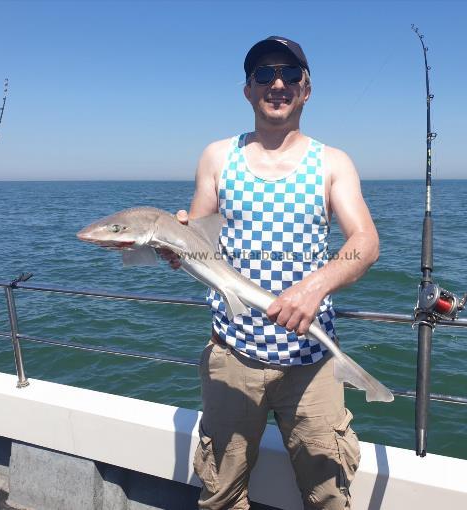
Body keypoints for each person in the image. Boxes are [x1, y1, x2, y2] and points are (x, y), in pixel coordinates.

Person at [162, 36, 380, 510]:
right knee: (220, 493)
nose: (276, 83)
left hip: (312, 362)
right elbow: (200, 245)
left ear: (306, 89)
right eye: (264, 74)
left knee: (330, 495)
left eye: (289, 74)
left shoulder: (332, 163)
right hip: (233, 357)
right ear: (247, 90)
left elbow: (364, 244)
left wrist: (314, 288)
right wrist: (174, 243)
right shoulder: (217, 157)